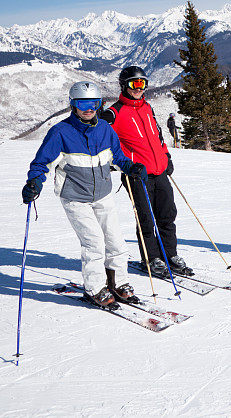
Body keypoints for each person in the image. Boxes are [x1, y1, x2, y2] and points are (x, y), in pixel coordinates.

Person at [22, 81, 147, 307]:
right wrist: (34, 182)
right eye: (82, 103)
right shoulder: (61, 132)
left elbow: (116, 156)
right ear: (73, 104)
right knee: (94, 243)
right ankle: (95, 289)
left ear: (99, 104)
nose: (88, 108)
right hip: (75, 197)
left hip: (103, 194)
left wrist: (130, 167)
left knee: (116, 242)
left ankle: (118, 283)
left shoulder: (105, 130)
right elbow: (42, 163)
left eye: (93, 103)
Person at [100, 66, 193, 277]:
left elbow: (157, 136)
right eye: (134, 84)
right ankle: (152, 259)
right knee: (146, 219)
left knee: (167, 215)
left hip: (159, 171)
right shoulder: (114, 114)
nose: (138, 88)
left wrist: (166, 156)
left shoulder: (147, 108)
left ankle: (170, 255)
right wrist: (125, 165)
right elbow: (105, 147)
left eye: (142, 84)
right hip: (137, 175)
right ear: (125, 86)